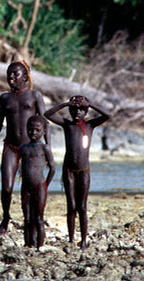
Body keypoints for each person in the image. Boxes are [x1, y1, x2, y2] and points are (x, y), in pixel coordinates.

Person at [0, 60, 48, 234]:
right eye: (9, 74)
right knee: (6, 187)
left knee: (29, 188)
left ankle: (28, 221)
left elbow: (44, 123)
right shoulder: (5, 98)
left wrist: (47, 149)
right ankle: (6, 217)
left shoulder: (34, 96)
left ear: (25, 77)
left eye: (15, 74)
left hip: (30, 148)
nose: (11, 77)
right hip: (10, 146)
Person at [44, 95, 110, 249]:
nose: (77, 112)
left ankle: (84, 240)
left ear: (86, 112)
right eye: (73, 109)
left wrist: (91, 104)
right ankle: (71, 239)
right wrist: (65, 104)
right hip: (69, 171)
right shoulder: (67, 125)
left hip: (84, 171)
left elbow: (107, 115)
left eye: (81, 110)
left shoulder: (90, 126)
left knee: (82, 207)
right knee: (71, 206)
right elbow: (47, 114)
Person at [19, 115, 55, 249]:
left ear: (44, 131)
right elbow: (22, 166)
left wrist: (46, 185)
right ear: (26, 129)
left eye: (37, 130)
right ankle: (28, 245)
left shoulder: (45, 148)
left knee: (38, 219)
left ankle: (40, 247)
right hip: (25, 187)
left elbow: (53, 168)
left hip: (40, 186)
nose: (33, 133)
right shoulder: (23, 148)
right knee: (27, 219)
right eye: (30, 129)